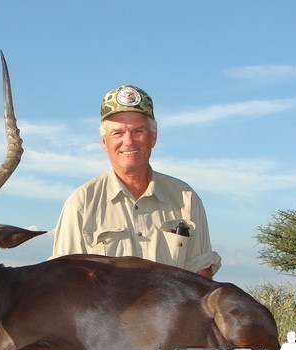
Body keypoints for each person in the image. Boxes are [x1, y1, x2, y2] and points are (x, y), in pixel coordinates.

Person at [52, 85, 221, 278]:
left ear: (153, 138)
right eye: (117, 133)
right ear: (104, 142)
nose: (129, 141)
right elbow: (64, 281)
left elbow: (202, 273)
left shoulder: (186, 198)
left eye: (138, 131)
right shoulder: (81, 204)